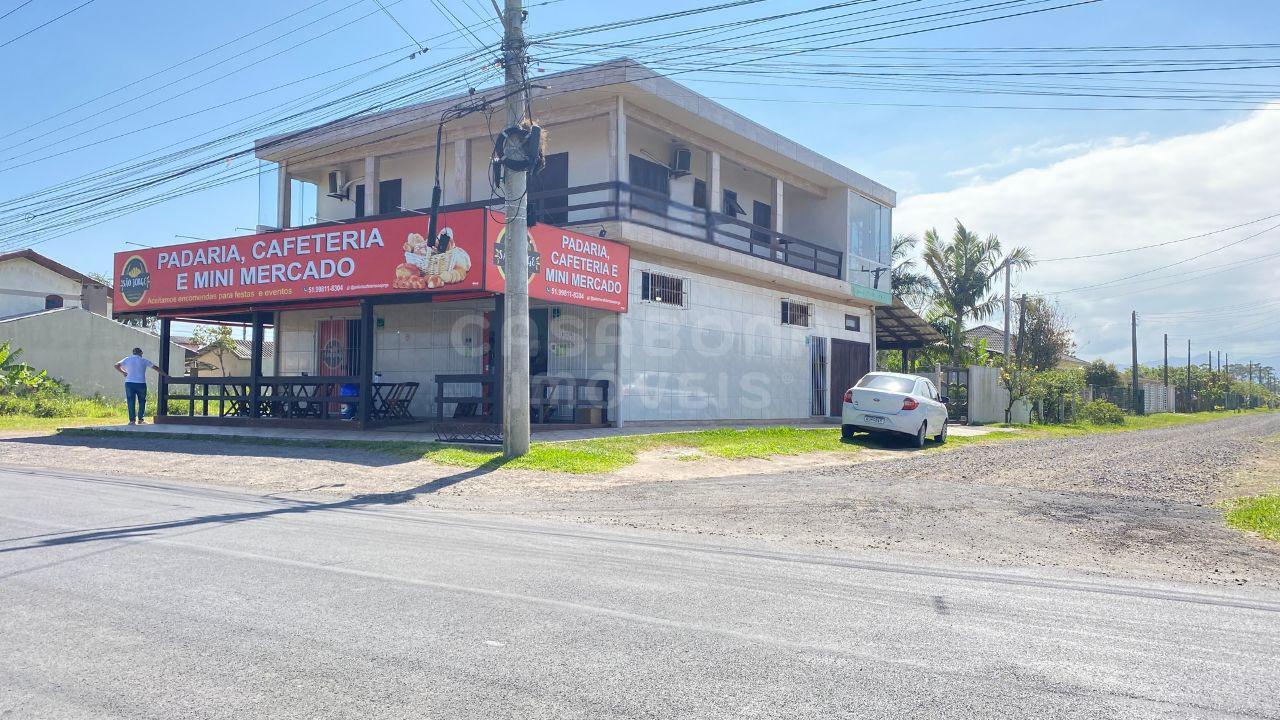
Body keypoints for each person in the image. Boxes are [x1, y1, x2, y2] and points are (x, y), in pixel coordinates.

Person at [114, 347, 167, 425]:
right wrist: (166, 375)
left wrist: (123, 372)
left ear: (133, 353)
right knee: (142, 401)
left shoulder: (127, 359)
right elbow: (156, 368)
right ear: (141, 353)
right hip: (141, 383)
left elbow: (116, 365)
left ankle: (132, 420)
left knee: (131, 401)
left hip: (129, 382)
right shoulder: (144, 360)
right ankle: (140, 419)